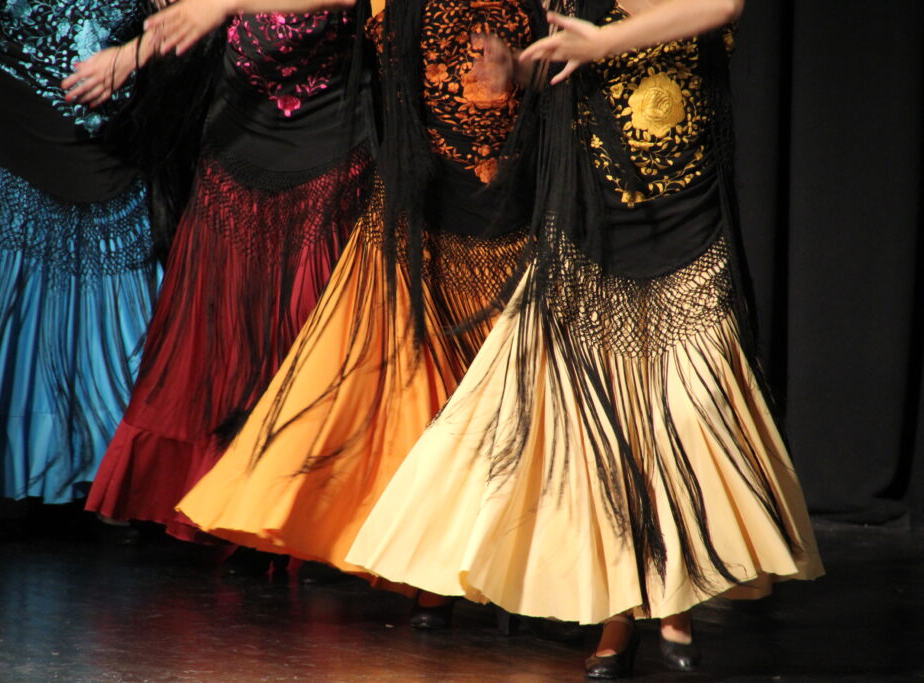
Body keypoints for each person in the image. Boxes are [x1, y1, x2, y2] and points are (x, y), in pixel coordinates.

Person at [345, 0, 823, 677]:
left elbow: (722, 6)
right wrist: (521, 70)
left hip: (684, 210)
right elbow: (570, 60)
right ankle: (619, 612)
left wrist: (609, 41)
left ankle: (676, 592)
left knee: (687, 411)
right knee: (595, 426)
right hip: (591, 213)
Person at [172, 0, 543, 622]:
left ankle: (510, 568)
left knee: (505, 398)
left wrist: (524, 69)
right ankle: (428, 568)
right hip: (414, 208)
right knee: (407, 397)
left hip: (519, 208)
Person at [64, 0, 374, 544]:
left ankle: (292, 514)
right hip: (238, 138)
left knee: (308, 331)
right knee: (223, 332)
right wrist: (132, 55)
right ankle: (211, 502)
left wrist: (227, 3)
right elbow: (194, 14)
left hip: (330, 141)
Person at [0, 1, 162, 506]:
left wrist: (138, 51)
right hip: (12, 127)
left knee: (114, 338)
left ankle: (117, 477)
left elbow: (203, 18)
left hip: (107, 146)